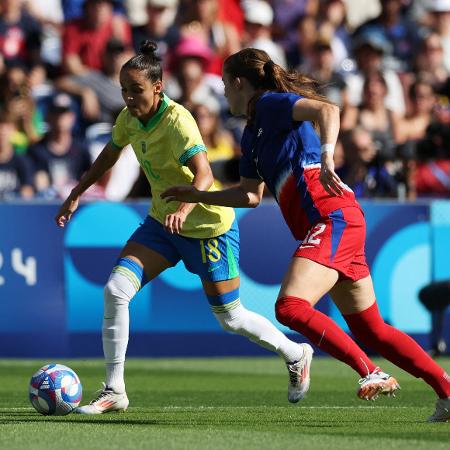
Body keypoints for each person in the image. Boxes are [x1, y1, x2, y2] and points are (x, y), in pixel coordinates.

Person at [161, 48, 450, 422]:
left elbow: (327, 110)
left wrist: (328, 156)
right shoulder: (250, 136)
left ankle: (370, 371)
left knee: (290, 306)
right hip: (337, 220)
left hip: (332, 216)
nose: (224, 94)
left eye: (224, 85)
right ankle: (446, 391)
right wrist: (199, 195)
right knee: (373, 329)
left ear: (237, 83)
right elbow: (250, 195)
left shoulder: (269, 105)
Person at [55, 40, 314, 414]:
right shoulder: (129, 120)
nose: (128, 97)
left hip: (208, 226)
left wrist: (187, 206)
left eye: (136, 90)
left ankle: (295, 353)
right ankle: (114, 390)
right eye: (125, 89)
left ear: (157, 87)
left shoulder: (178, 121)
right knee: (115, 290)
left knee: (231, 317)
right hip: (163, 223)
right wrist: (77, 192)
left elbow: (205, 174)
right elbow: (110, 154)